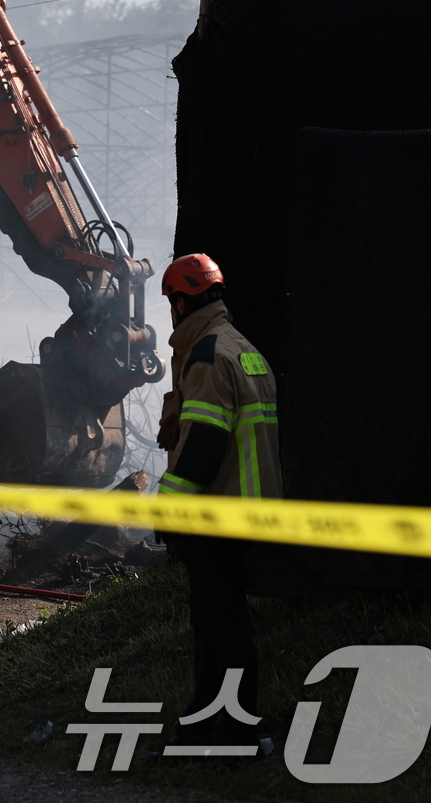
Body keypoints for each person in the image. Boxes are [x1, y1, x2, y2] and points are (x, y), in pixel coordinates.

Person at [156, 254, 280, 748]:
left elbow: (204, 443)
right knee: (211, 619)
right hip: (246, 506)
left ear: (182, 302)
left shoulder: (206, 355)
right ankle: (202, 725)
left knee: (223, 625)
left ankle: (234, 734)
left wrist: (169, 507)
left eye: (172, 303)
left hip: (220, 511)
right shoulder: (243, 348)